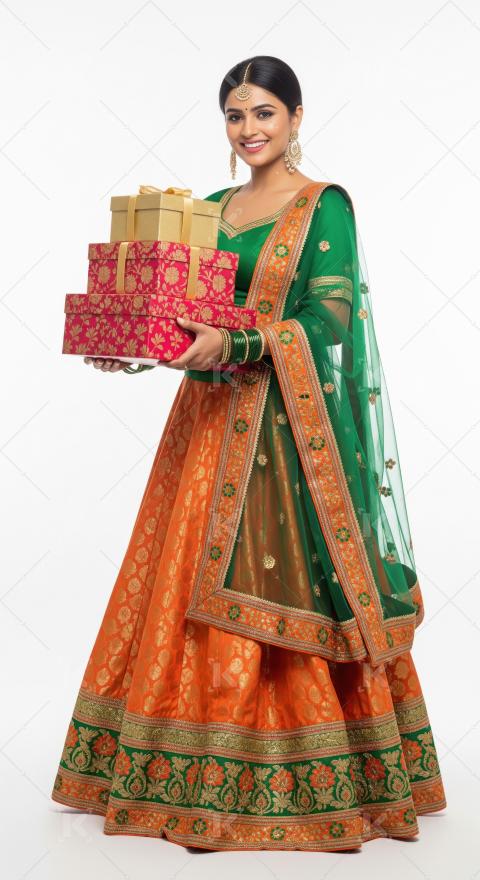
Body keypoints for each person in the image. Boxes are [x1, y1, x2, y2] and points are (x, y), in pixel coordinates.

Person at [51, 55, 447, 852]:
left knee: (279, 577)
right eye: (235, 115)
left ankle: (312, 773)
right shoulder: (208, 209)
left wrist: (238, 342)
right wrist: (128, 345)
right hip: (205, 427)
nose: (249, 129)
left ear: (296, 117)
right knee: (181, 575)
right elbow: (179, 319)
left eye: (264, 112)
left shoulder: (322, 206)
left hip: (285, 432)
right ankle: (181, 768)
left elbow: (331, 317)